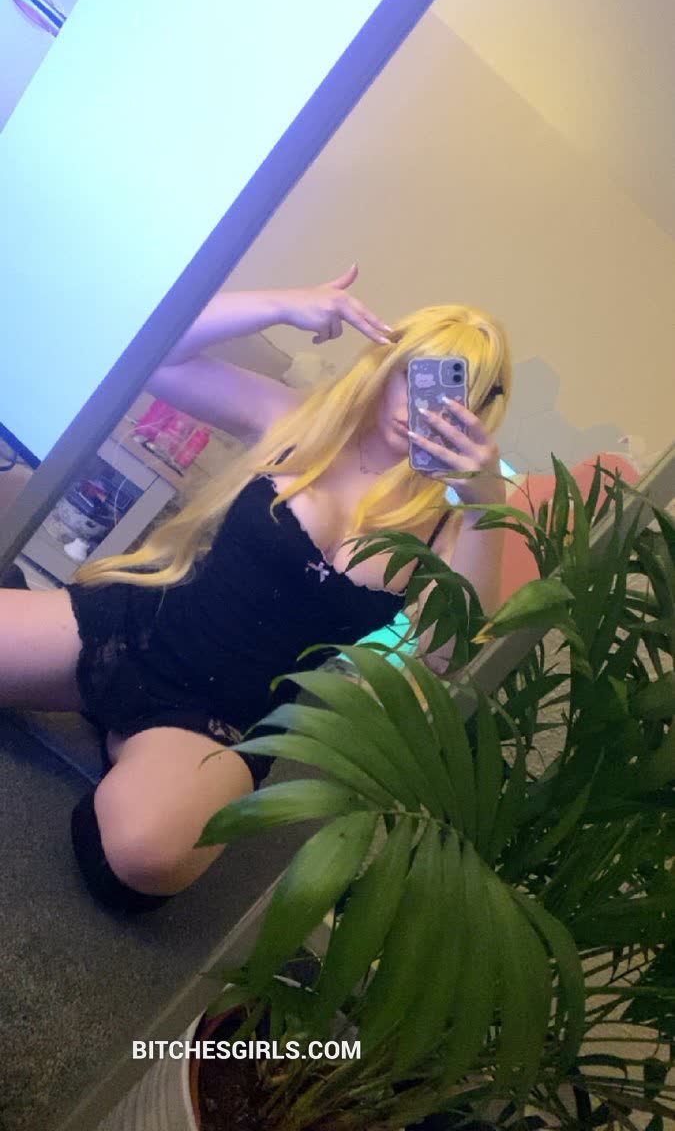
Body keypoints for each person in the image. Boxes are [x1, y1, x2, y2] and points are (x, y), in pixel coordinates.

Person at [0, 265, 512, 912]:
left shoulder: (449, 527)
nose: (420, 406)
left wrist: (486, 505)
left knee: (145, 858)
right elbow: (154, 351)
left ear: (478, 414)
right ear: (385, 366)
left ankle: (140, 765)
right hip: (129, 631)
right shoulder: (298, 421)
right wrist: (283, 304)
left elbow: (447, 656)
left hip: (221, 722)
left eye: (452, 393)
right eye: (415, 374)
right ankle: (92, 706)